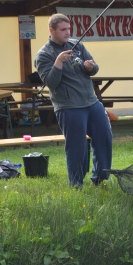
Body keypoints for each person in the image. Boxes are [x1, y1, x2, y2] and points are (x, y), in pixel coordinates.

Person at [35, 13, 112, 187]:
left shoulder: (77, 45)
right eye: (63, 30)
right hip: (69, 107)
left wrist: (90, 67)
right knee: (77, 147)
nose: (67, 32)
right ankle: (76, 183)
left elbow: (95, 68)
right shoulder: (43, 55)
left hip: (91, 102)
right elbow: (51, 83)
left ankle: (100, 178)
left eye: (69, 29)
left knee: (104, 137)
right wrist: (58, 62)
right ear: (52, 30)